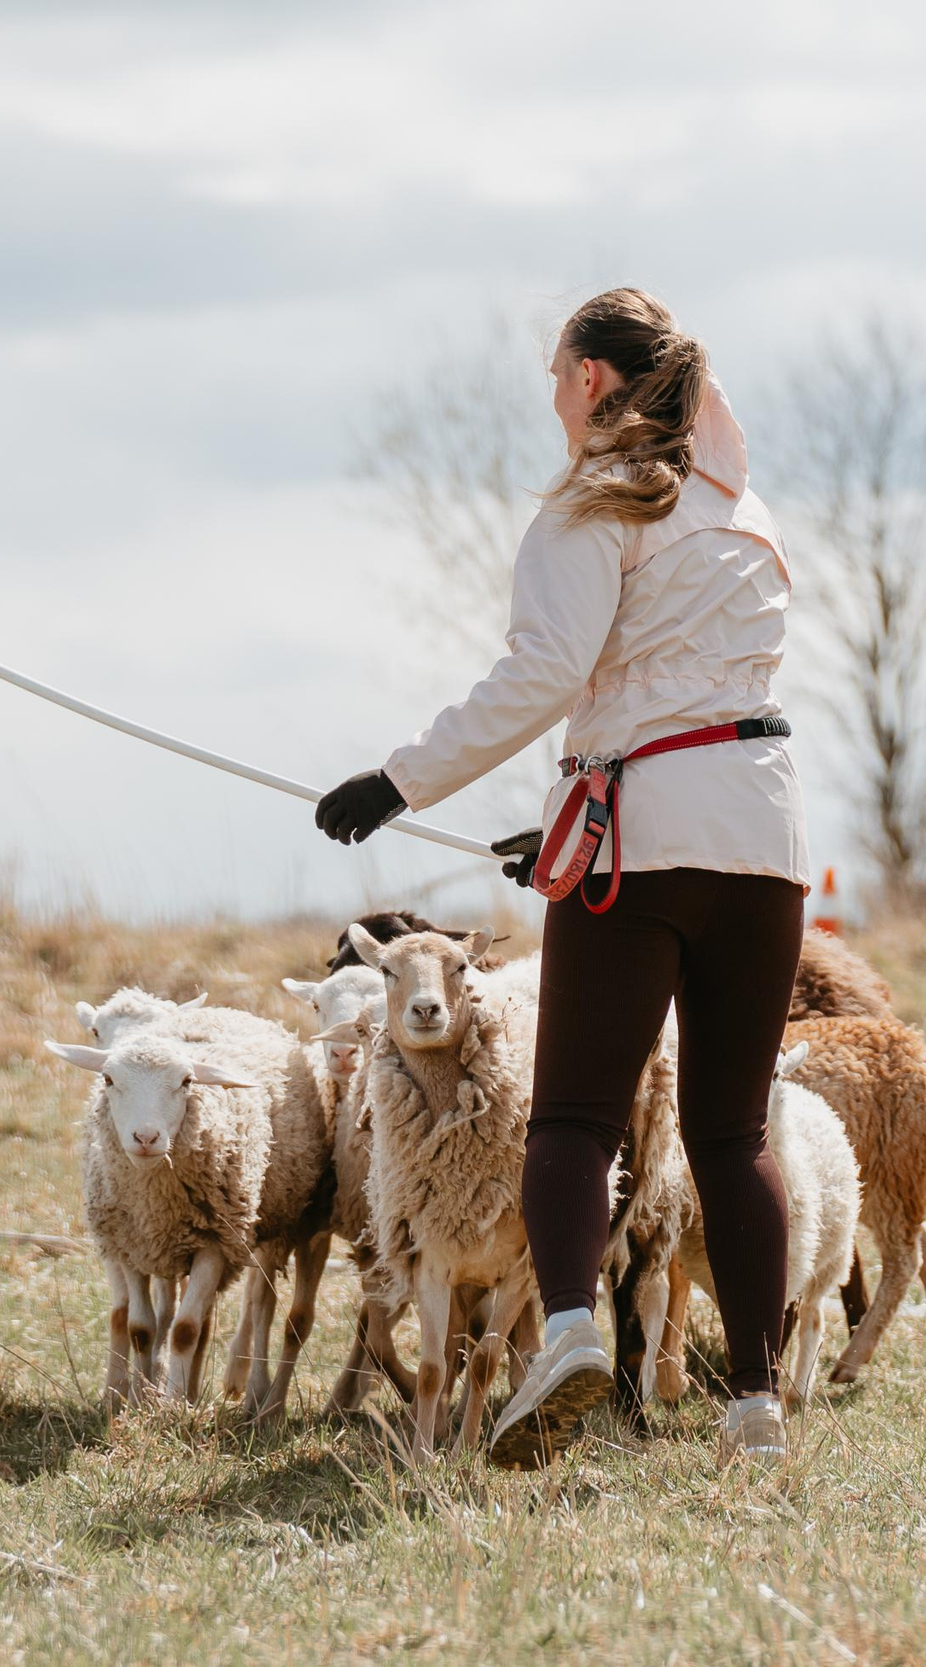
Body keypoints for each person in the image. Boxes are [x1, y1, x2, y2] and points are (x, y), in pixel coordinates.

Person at [315, 289, 809, 1469]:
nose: (548, 398)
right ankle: (753, 1406)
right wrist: (563, 830)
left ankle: (572, 1332)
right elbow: (679, 696)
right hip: (762, 838)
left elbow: (549, 672)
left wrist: (401, 780)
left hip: (643, 841)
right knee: (732, 1133)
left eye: (555, 375)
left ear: (592, 380)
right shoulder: (746, 514)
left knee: (576, 1115)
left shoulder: (595, 507)